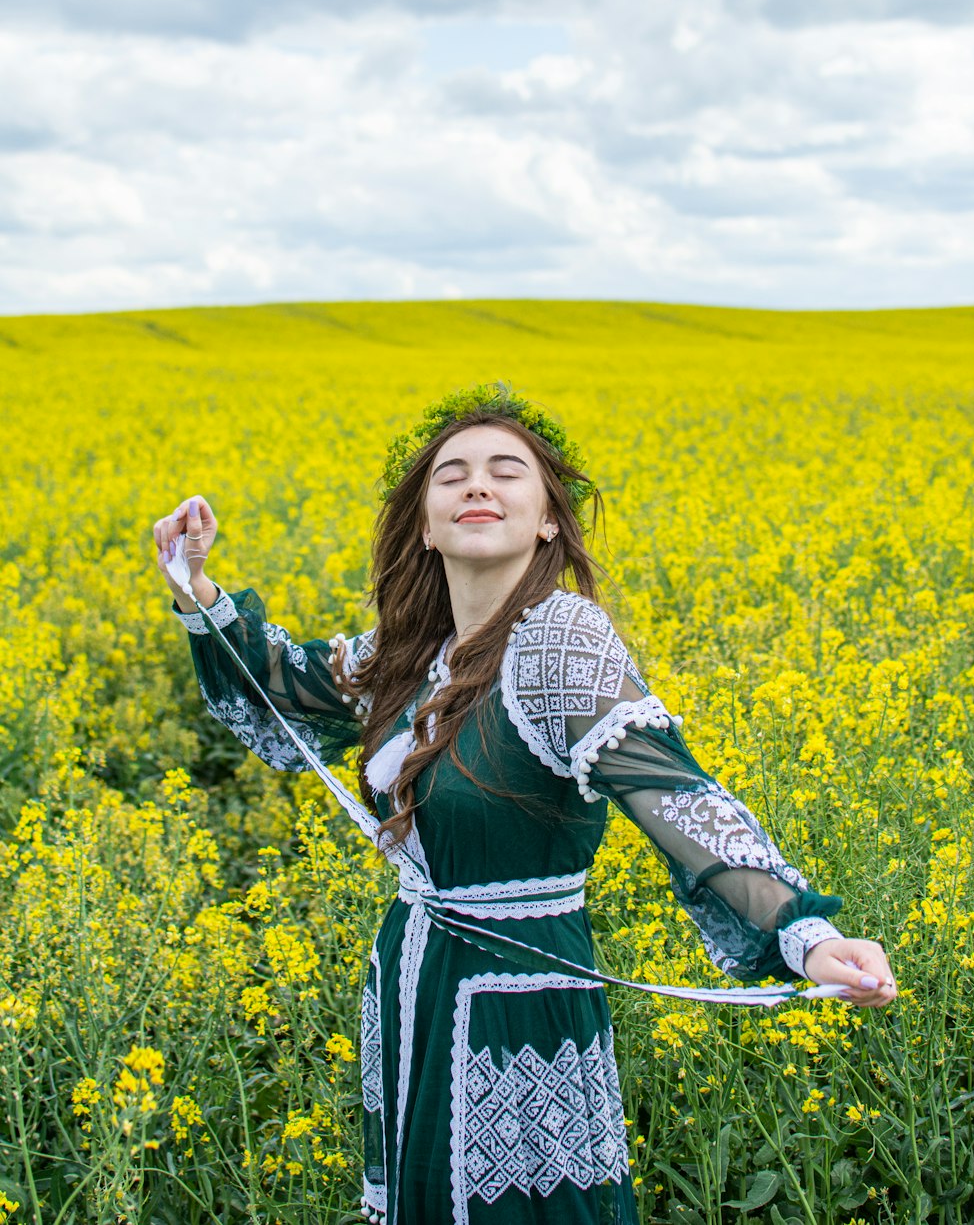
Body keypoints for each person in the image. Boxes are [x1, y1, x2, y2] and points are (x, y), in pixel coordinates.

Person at [154, 383, 895, 1225]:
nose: (478, 485)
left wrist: (805, 933)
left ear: (547, 519)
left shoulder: (558, 639)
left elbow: (674, 791)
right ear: (426, 526)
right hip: (413, 981)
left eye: (507, 472)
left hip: (520, 994)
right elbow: (279, 689)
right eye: (452, 476)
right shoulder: (407, 655)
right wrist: (195, 586)